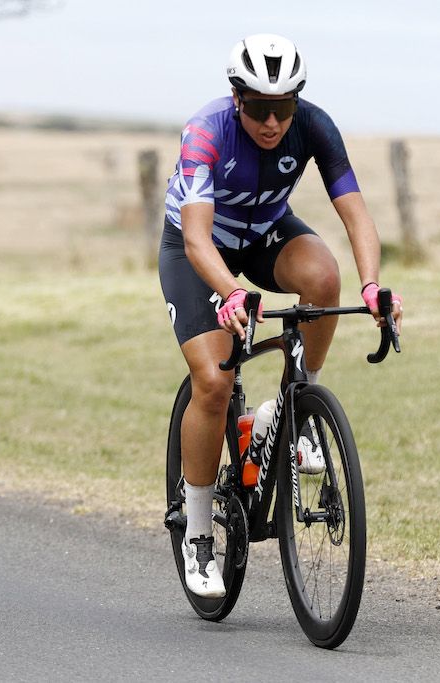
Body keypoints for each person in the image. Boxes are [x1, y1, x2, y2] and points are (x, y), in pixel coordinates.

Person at [159, 34, 403, 598]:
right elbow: (196, 238)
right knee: (214, 381)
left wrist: (372, 286)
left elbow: (356, 216)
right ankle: (198, 532)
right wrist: (227, 292)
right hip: (199, 250)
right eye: (259, 108)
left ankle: (296, 410)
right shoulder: (206, 132)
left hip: (266, 234)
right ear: (236, 98)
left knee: (324, 278)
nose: (272, 122)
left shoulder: (314, 125)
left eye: (283, 108)